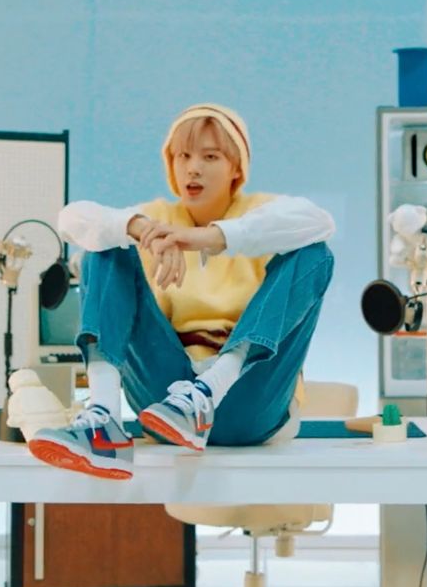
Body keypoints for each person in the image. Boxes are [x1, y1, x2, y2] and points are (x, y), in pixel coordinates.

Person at [27, 103, 335, 480]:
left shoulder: (261, 213)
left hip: (247, 400)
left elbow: (320, 221)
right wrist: (138, 228)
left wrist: (210, 237)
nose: (193, 167)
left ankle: (208, 391)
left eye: (210, 156)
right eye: (183, 156)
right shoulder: (157, 219)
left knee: (315, 253)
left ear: (237, 167)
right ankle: (103, 419)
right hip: (166, 399)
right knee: (102, 244)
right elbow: (72, 218)